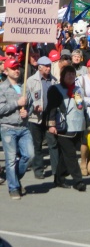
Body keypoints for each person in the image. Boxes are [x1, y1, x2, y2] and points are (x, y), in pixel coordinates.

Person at [45, 65, 90, 192]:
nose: (70, 76)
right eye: (68, 74)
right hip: (63, 127)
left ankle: (59, 178)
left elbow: (83, 109)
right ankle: (78, 181)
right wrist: (51, 125)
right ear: (62, 76)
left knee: (65, 156)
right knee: (71, 155)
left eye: (72, 74)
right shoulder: (55, 89)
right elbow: (51, 108)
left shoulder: (79, 90)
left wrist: (89, 124)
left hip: (78, 126)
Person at [0, 59, 33, 199]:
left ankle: (14, 178)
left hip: (23, 127)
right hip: (8, 127)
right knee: (11, 160)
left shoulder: (24, 86)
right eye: (13, 68)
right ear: (6, 71)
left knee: (29, 155)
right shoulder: (2, 88)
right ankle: (13, 187)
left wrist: (28, 112)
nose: (17, 70)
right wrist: (16, 103)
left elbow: (30, 104)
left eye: (18, 67)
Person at [27, 56, 59, 180]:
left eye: (49, 66)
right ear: (39, 67)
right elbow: (26, 100)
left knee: (53, 143)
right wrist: (34, 106)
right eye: (46, 66)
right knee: (37, 144)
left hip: (50, 116)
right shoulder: (31, 81)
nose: (48, 68)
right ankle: (39, 169)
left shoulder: (54, 81)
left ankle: (56, 170)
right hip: (35, 117)